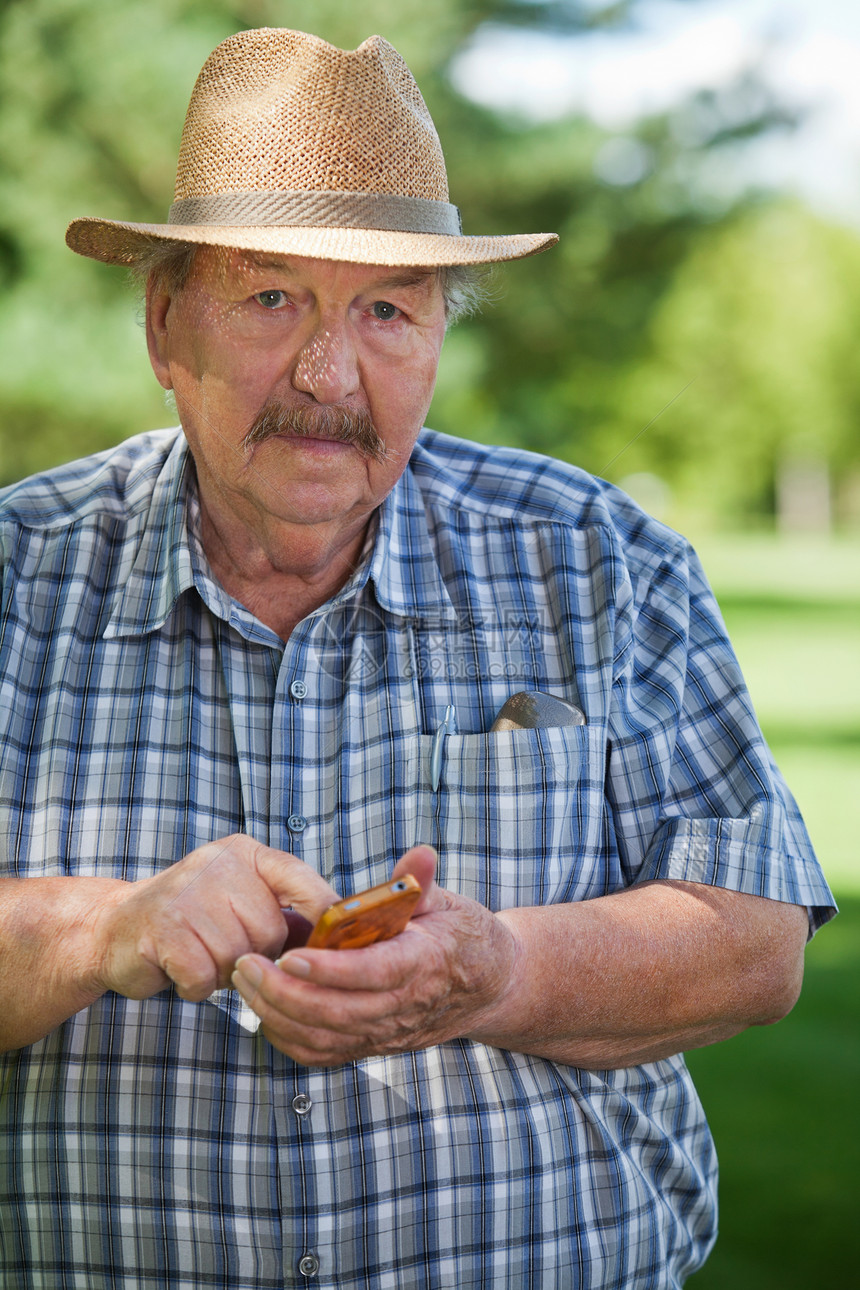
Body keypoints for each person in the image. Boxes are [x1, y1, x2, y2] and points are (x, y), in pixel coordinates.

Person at [0, 26, 835, 1290]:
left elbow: (752, 940)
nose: (329, 374)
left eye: (386, 308)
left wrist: (496, 972)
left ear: (439, 337)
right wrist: (100, 929)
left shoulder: (599, 560)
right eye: (271, 297)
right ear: (168, 326)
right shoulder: (17, 576)